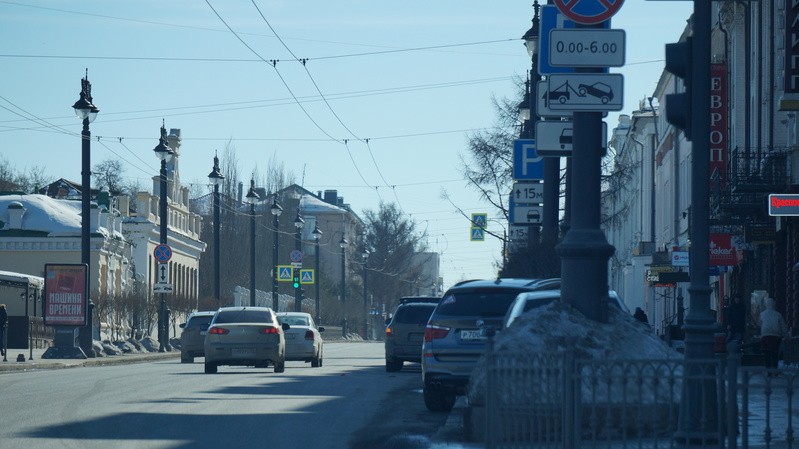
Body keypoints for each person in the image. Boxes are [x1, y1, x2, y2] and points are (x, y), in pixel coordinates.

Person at [759, 297, 788, 370]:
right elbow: (783, 326)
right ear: (774, 304)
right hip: (776, 336)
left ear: (766, 305)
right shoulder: (778, 314)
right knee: (775, 354)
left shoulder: (762, 314)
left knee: (767, 354)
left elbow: (759, 324)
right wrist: (786, 335)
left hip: (765, 336)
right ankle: (775, 369)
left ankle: (768, 370)